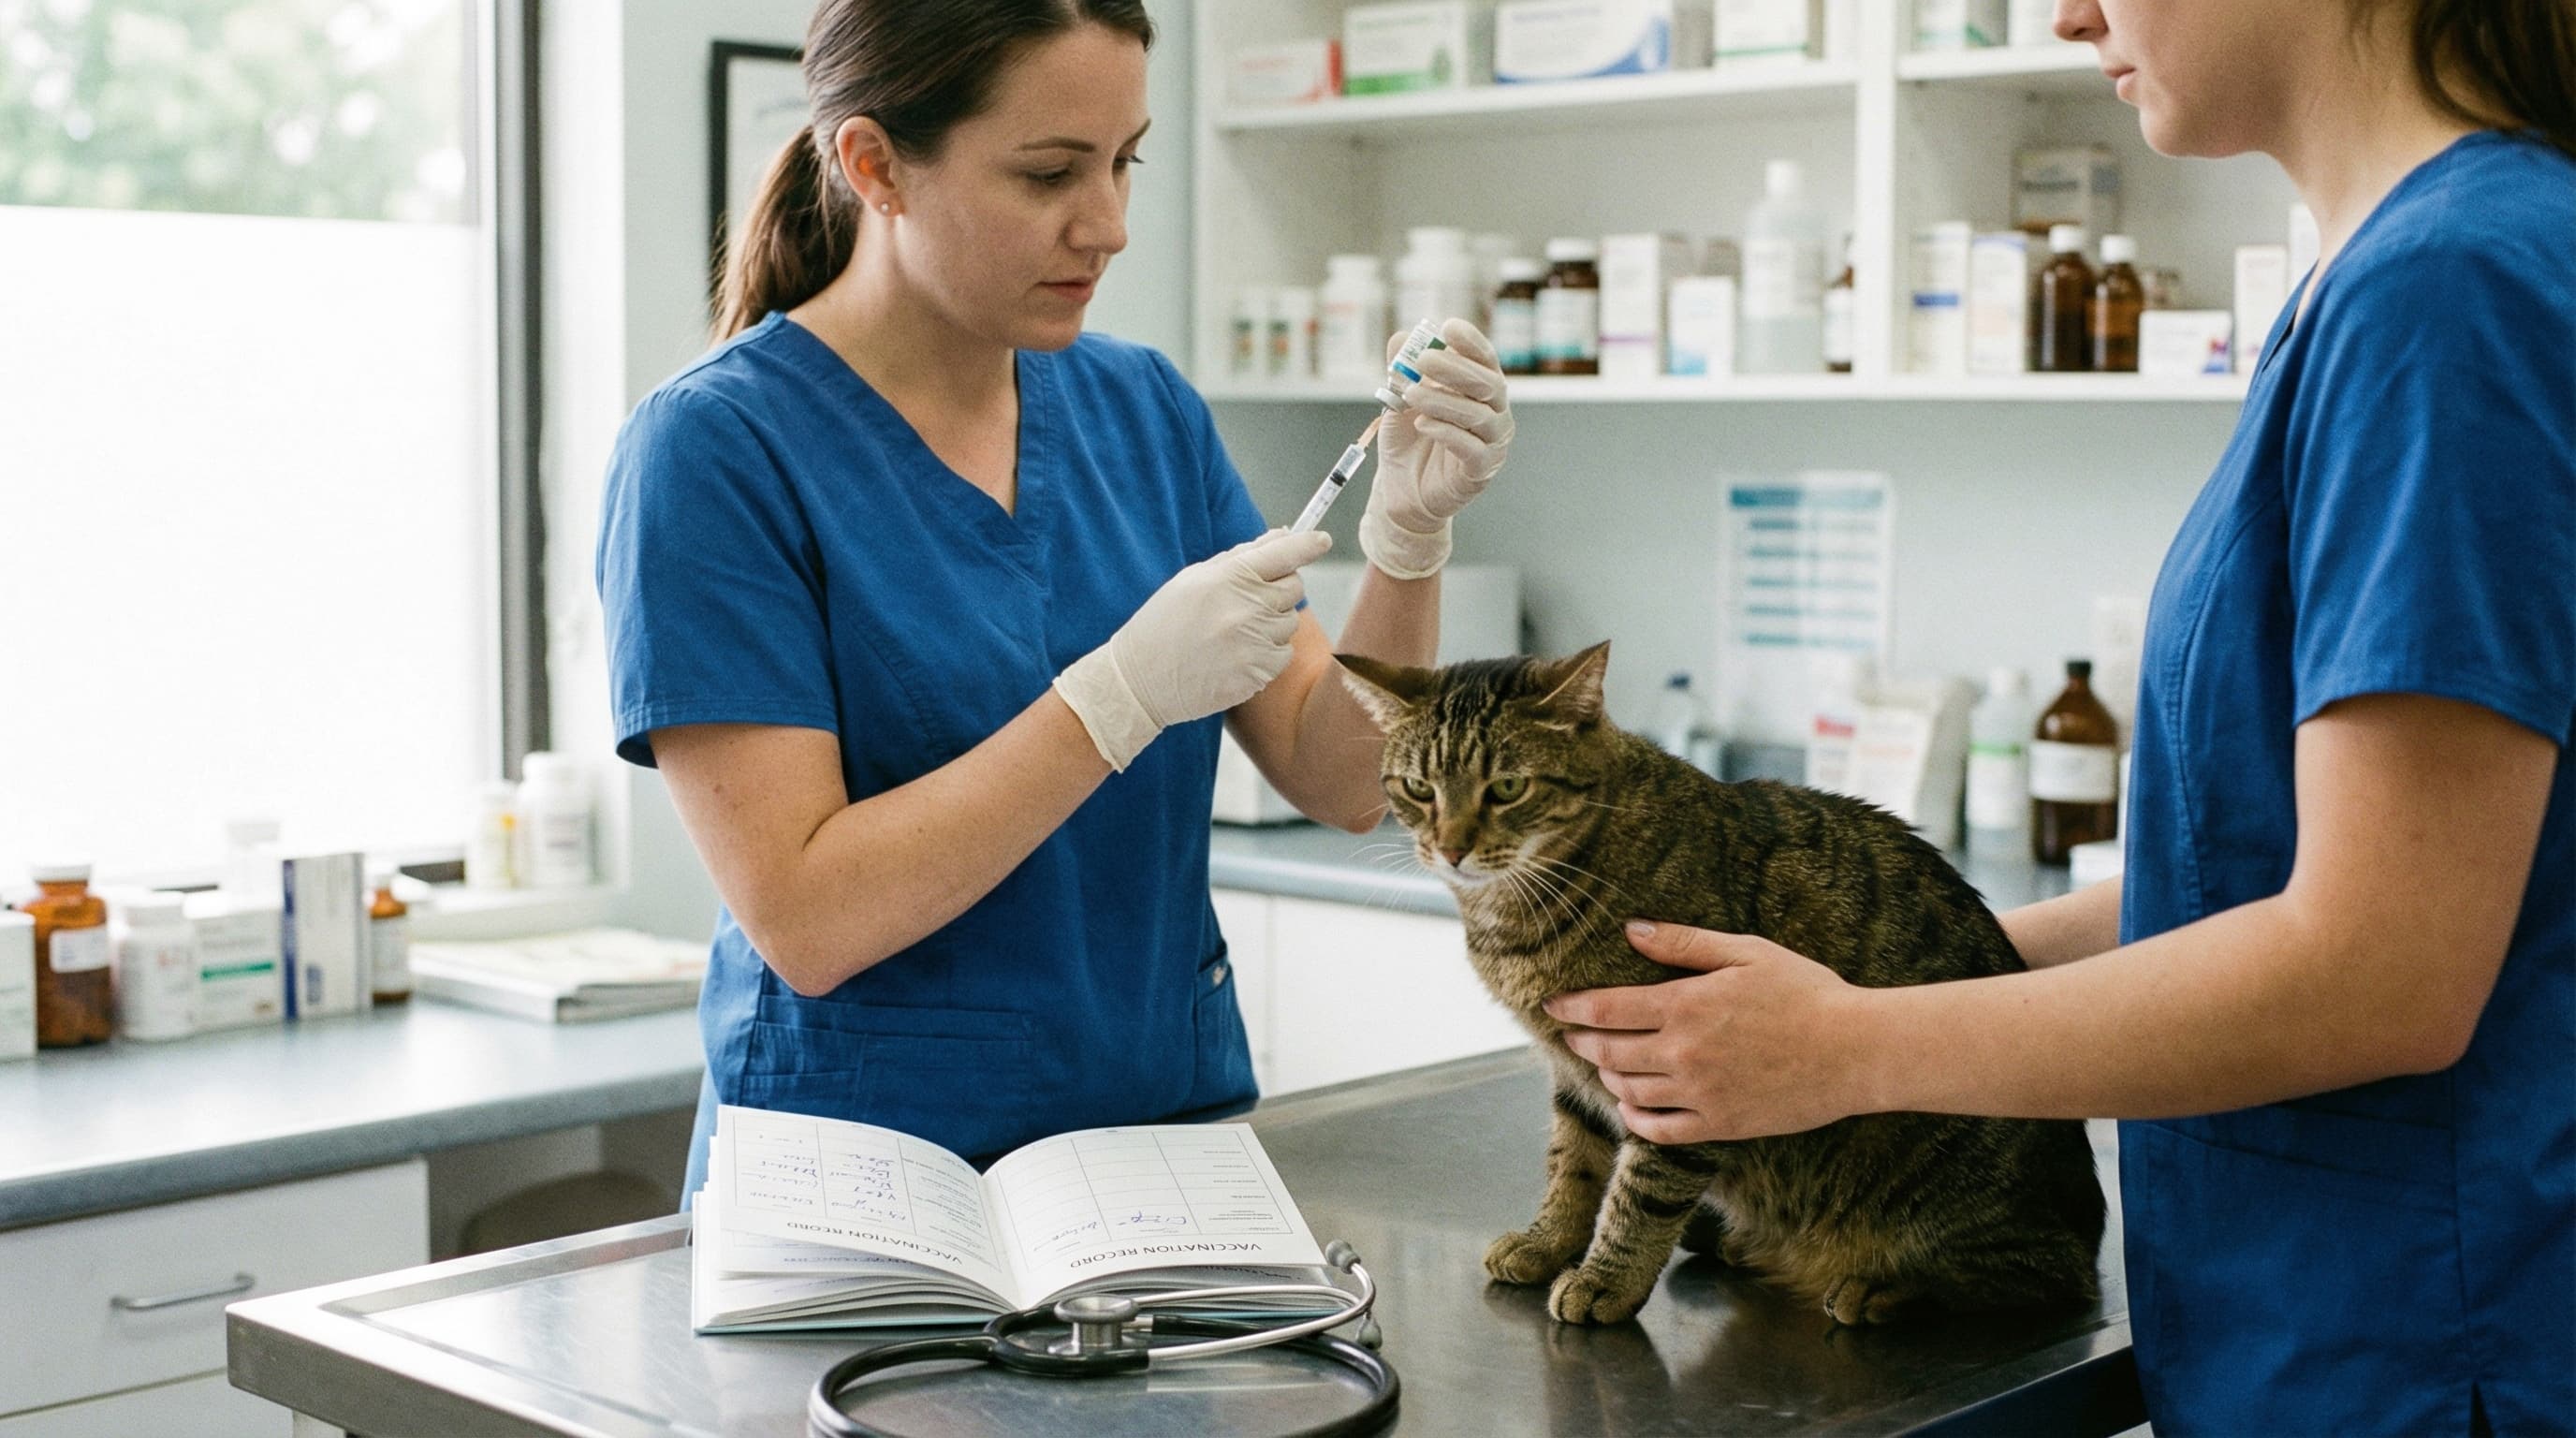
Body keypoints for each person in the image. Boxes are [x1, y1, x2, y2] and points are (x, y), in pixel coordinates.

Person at [1545, 0, 2573, 1431]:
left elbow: (2379, 965)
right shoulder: (2378, 280)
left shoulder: (2446, 289)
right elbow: (2251, 863)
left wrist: (1851, 1048)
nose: (2064, 12)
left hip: (2422, 1352)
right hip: (2316, 1328)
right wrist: (1888, 965)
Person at [594, 0, 1514, 1198]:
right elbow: (807, 918)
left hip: (1151, 1156)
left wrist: (1407, 538)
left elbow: (1339, 777)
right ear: (874, 166)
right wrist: (1117, 699)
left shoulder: (1143, 411)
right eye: (1048, 173)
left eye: (1125, 161)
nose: (1110, 225)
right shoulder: (715, 451)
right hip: (865, 1183)